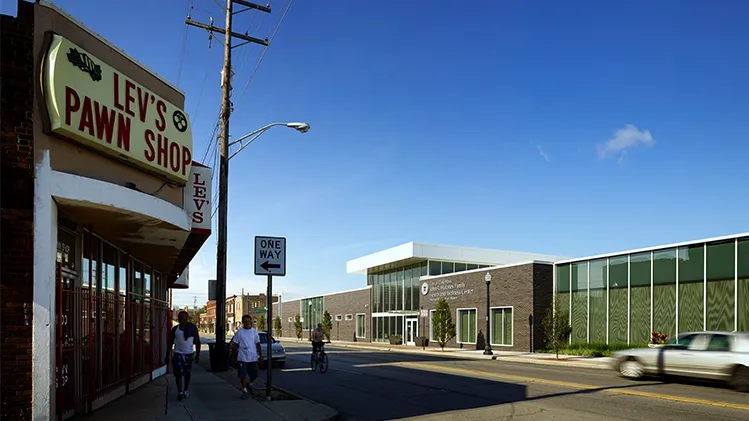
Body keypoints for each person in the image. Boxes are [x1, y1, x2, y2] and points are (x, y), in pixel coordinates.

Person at [166, 311, 201, 401]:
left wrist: (198, 355)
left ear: (187, 318)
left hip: (188, 354)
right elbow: (170, 343)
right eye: (181, 317)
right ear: (178, 318)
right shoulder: (175, 329)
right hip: (177, 354)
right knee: (178, 374)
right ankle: (180, 392)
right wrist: (167, 355)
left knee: (187, 374)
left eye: (185, 317)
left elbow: (197, 342)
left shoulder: (192, 329)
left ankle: (185, 389)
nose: (183, 319)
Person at [231, 315, 264, 399]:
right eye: (245, 321)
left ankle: (250, 384)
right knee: (242, 375)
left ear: (251, 322)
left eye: (249, 321)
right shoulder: (239, 332)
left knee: (255, 374)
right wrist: (233, 357)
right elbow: (235, 345)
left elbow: (258, 344)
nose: (247, 323)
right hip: (242, 357)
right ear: (243, 322)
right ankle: (245, 391)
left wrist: (260, 356)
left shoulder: (254, 332)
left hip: (252, 357)